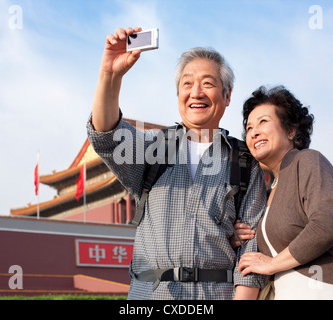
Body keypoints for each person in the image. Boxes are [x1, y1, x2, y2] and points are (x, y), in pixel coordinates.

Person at [87, 27, 267, 299]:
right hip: (151, 295)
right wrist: (109, 75)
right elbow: (107, 136)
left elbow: (251, 249)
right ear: (178, 94)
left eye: (208, 83)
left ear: (227, 95)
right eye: (187, 83)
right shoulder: (152, 147)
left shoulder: (244, 162)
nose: (196, 92)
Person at [237, 85, 333, 300]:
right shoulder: (268, 190)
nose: (254, 132)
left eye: (263, 122)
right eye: (248, 128)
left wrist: (272, 264)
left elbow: (325, 225)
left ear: (291, 130)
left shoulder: (308, 160)